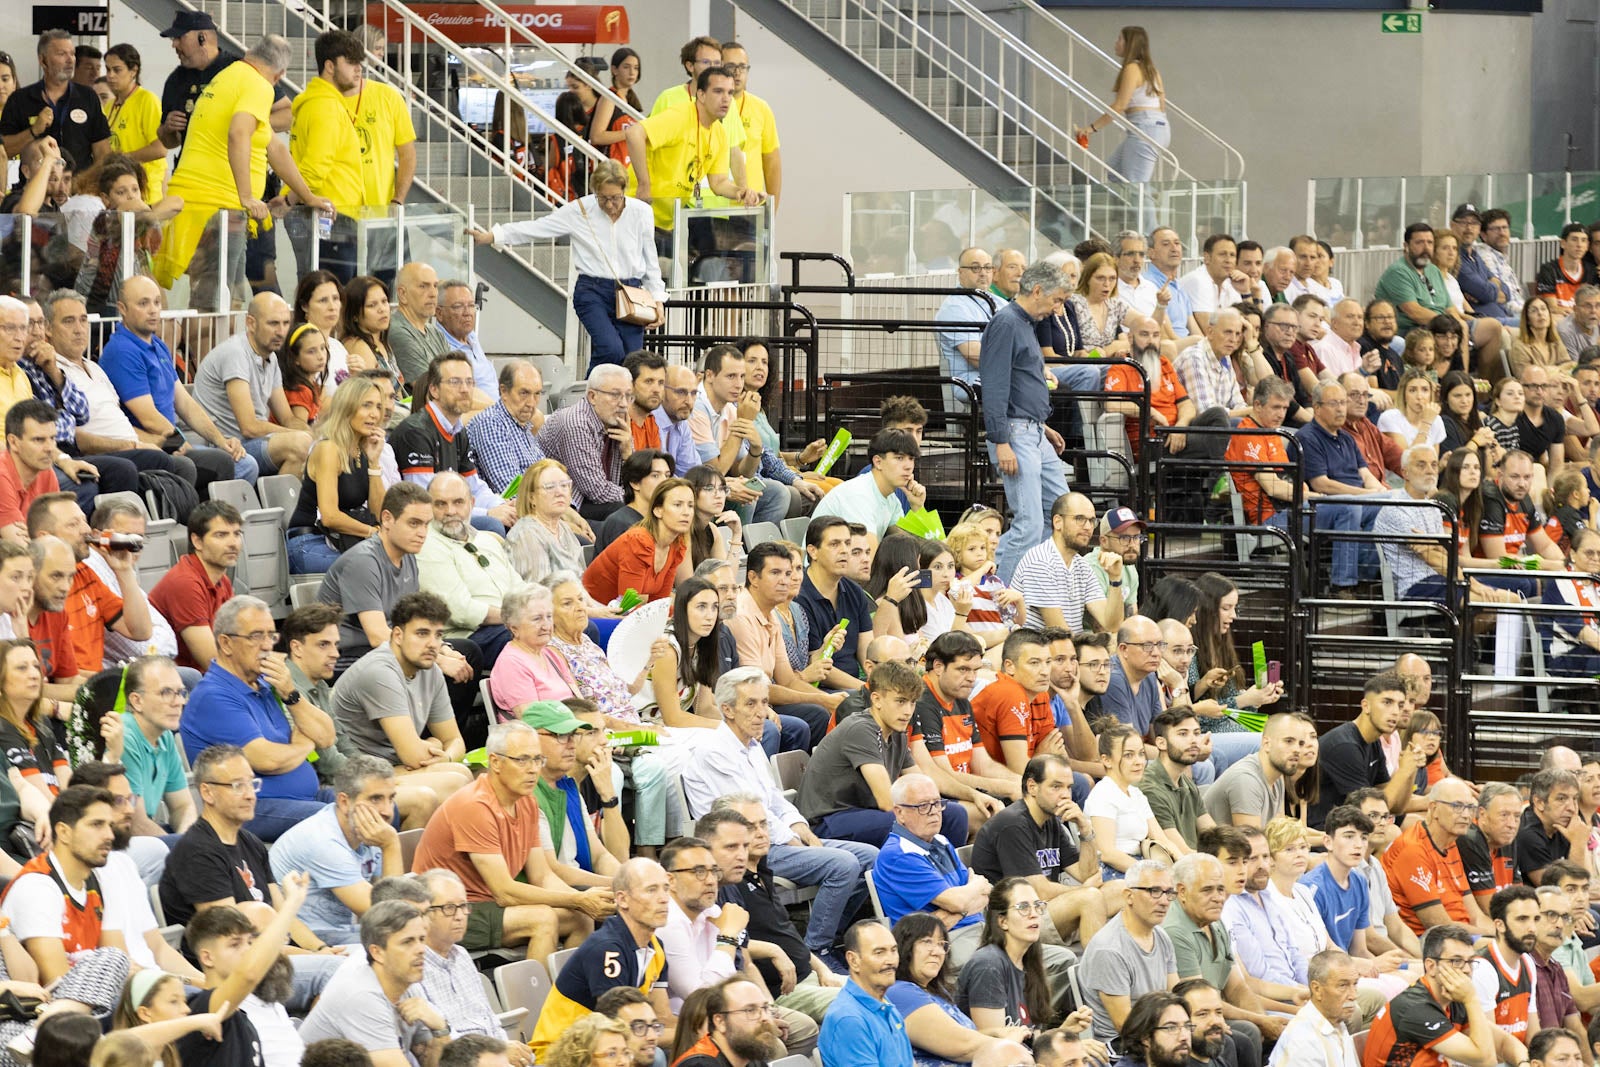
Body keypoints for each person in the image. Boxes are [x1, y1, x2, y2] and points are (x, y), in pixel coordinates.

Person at [681, 667, 875, 957]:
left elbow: (774, 798)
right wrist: (791, 839)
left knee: (872, 858)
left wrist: (800, 826)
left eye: (764, 702)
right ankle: (815, 950)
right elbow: (746, 815)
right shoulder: (714, 751)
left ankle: (830, 936)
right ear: (727, 710)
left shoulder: (752, 745)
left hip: (776, 839)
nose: (762, 712)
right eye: (751, 704)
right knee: (843, 864)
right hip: (748, 847)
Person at [410, 720, 605, 966]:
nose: (533, 769)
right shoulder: (475, 806)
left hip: (487, 904)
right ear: (496, 762)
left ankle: (566, 995)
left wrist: (587, 901)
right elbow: (504, 892)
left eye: (537, 760)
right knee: (542, 918)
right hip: (447, 910)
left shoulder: (527, 801)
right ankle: (539, 1003)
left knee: (581, 917)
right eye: (522, 760)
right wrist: (578, 899)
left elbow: (543, 875)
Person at [153, 35, 329, 304]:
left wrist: (309, 197)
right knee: (214, 304)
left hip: (214, 208)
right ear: (279, 74)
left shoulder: (231, 75)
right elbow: (238, 134)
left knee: (229, 300)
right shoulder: (258, 85)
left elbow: (275, 149)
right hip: (216, 209)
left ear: (249, 53)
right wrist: (247, 196)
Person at [474, 160, 664, 368]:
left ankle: (606, 396)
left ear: (625, 190)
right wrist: (494, 235)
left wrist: (657, 300)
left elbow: (650, 259)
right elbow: (538, 228)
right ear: (594, 192)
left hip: (631, 291)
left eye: (615, 198)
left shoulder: (641, 212)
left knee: (632, 361)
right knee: (610, 349)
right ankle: (588, 397)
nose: (609, 204)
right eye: (603, 198)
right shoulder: (580, 210)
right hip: (592, 290)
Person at [180, 595, 330, 841]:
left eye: (271, 635)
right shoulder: (213, 695)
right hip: (253, 808)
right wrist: (303, 744)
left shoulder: (266, 682)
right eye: (256, 636)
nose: (267, 645)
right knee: (341, 821)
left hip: (307, 799)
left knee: (379, 806)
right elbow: (267, 759)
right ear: (226, 644)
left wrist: (290, 693)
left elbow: (325, 737)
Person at [100, 277, 255, 485]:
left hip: (172, 441)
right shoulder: (122, 351)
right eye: (143, 303)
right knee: (232, 464)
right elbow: (148, 418)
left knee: (241, 461)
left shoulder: (158, 345)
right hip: (149, 447)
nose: (153, 310)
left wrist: (221, 440)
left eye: (157, 302)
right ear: (122, 309)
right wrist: (179, 441)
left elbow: (186, 405)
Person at [328, 591, 473, 799]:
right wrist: (435, 744)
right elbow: (413, 756)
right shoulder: (379, 671)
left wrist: (447, 756)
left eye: (438, 635)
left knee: (474, 775)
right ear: (397, 635)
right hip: (359, 777)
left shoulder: (430, 670)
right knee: (458, 780)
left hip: (394, 767)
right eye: (422, 633)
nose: (432, 643)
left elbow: (455, 740)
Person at [980, 262, 1073, 581]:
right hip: (1015, 433)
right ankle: (995, 594)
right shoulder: (1006, 323)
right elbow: (993, 384)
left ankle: (1022, 584)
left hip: (1032, 430)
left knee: (1062, 513)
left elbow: (1018, 382)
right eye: (1057, 300)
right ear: (1037, 291)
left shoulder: (1023, 323)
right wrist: (1001, 440)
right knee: (1030, 523)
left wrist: (1043, 428)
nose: (1058, 310)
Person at [528, 856, 673, 1058]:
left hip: (608, 1049)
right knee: (653, 1056)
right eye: (651, 890)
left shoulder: (656, 947)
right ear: (622, 899)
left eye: (666, 888)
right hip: (563, 1054)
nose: (664, 898)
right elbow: (620, 1031)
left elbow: (662, 1017)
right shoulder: (606, 949)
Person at [970, 752, 1110, 944]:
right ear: (1032, 787)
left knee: (1122, 890)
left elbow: (1087, 873)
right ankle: (1099, 972)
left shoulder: (1050, 820)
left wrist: (1085, 830)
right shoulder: (1012, 824)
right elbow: (1039, 892)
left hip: (1046, 909)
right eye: (1056, 786)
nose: (1066, 795)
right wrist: (1085, 890)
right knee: (1091, 897)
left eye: (1069, 787)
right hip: (1015, 920)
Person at [266, 755, 401, 947]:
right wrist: (391, 847)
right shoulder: (323, 840)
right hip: (304, 940)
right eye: (375, 799)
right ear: (344, 802)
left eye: (391, 798)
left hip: (341, 931)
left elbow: (388, 896)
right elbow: (388, 916)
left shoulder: (368, 831)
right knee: (399, 941)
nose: (387, 811)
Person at [624, 65, 764, 247]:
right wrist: (644, 184)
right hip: (634, 210)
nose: (726, 99)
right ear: (701, 95)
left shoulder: (719, 133)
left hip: (665, 220)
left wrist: (740, 191)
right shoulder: (681, 115)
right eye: (718, 91)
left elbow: (719, 182)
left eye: (730, 93)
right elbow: (634, 134)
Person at [294, 901, 448, 1064]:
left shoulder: (408, 987)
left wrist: (440, 1029)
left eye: (422, 939)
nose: (421, 949)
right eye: (407, 942)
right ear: (377, 952)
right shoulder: (361, 996)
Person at [391, 353, 516, 535]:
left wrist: (502, 506)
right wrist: (489, 513)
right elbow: (425, 502)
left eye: (469, 382)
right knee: (493, 525)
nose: (465, 389)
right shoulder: (416, 432)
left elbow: (474, 487)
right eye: (455, 382)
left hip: (449, 515)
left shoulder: (457, 430)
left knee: (517, 520)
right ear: (434, 390)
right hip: (420, 526)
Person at [191, 292, 312, 478]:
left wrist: (313, 434)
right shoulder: (236, 353)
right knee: (300, 445)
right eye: (273, 323)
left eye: (285, 323)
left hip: (251, 443)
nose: (281, 331)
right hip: (226, 446)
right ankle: (282, 504)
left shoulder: (270, 357)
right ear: (251, 323)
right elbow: (249, 427)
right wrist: (299, 436)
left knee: (318, 445)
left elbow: (287, 418)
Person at [315, 481, 429, 668]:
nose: (422, 533)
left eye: (426, 525)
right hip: (340, 655)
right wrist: (434, 658)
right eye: (414, 523)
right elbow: (377, 637)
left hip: (379, 650)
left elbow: (412, 622)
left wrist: (442, 649)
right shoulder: (363, 561)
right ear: (386, 519)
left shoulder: (408, 556)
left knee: (466, 651)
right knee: (425, 666)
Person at [288, 375, 386, 574]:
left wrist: (374, 463)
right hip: (309, 543)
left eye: (378, 407)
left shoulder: (361, 450)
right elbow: (330, 517)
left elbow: (378, 514)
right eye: (366, 405)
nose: (374, 414)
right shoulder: (329, 449)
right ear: (346, 408)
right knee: (374, 567)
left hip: (341, 540)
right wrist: (371, 533)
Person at [1077, 858, 1178, 1040]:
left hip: (1161, 1032)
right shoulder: (1109, 949)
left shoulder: (1161, 936)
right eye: (1154, 891)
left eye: (1169, 892)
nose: (1164, 901)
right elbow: (1125, 1025)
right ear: (1129, 896)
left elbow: (1176, 997)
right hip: (1123, 1047)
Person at [1382, 777, 1496, 937]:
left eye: (1470, 807)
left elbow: (1476, 915)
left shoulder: (1451, 842)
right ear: (1433, 808)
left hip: (1465, 934)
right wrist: (1492, 939)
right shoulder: (1413, 849)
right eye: (1457, 806)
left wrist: (1502, 936)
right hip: (1433, 940)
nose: (1466, 815)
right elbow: (1439, 925)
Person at [1312, 671, 1417, 829]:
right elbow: (1371, 812)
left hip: (1352, 825)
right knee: (1391, 831)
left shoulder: (1373, 742)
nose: (1396, 711)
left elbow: (1395, 807)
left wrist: (1411, 770)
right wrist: (1403, 771)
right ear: (1366, 706)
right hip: (1324, 829)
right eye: (1387, 702)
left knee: (1417, 823)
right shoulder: (1345, 746)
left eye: (1400, 705)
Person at [1010, 494, 1124, 635]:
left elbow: (1112, 626)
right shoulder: (1040, 561)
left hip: (1067, 649)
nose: (1088, 527)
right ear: (1058, 522)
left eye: (1092, 521)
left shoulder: (1082, 566)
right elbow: (1060, 632)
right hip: (1040, 650)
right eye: (1079, 519)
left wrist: (1115, 579)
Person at [0, 31, 110, 170]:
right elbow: (5, 151)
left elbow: (102, 152)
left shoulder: (88, 97)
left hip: (78, 186)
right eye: (61, 54)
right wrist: (33, 131)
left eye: (72, 53)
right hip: (35, 187)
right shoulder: (20, 99)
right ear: (43, 60)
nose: (70, 59)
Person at [539, 363, 635, 521]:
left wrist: (628, 453)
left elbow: (630, 482)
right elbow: (596, 491)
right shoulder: (576, 423)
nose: (624, 404)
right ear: (592, 396)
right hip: (567, 506)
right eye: (615, 395)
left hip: (594, 501)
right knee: (625, 513)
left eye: (628, 396)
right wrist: (640, 499)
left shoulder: (616, 421)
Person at [1072, 26, 1167, 184]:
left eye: (1120, 39)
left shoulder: (1132, 68)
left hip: (1146, 127)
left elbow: (1120, 105)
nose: (1116, 43)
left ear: (1130, 44)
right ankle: (1143, 200)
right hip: (1156, 126)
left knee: (1136, 186)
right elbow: (1161, 100)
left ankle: (1146, 203)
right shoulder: (1150, 69)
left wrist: (1090, 128)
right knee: (1114, 171)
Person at [817, 920, 916, 1067]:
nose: (891, 960)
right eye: (879, 952)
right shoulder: (849, 1019)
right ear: (853, 960)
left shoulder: (884, 1003)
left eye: (893, 950)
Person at [583, 478, 694, 606]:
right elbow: (628, 606)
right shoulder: (638, 542)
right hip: (595, 612)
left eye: (690, 505)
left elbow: (659, 603)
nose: (686, 512)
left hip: (624, 614)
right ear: (658, 510)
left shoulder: (677, 545)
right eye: (677, 505)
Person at [811, 431, 924, 541]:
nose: (908, 466)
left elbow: (907, 545)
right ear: (878, 462)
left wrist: (917, 507)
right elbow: (865, 556)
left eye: (911, 459)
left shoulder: (891, 498)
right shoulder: (859, 494)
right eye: (899, 458)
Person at [466, 360, 547, 498]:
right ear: (504, 391)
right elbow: (512, 491)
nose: (531, 403)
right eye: (524, 393)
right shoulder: (491, 423)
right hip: (511, 513)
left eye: (537, 394)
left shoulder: (522, 424)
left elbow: (544, 478)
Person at [1266, 949, 1360, 1067]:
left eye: (1355, 984)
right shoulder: (1303, 1041)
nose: (1353, 995)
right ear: (1317, 990)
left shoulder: (1336, 1022)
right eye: (1342, 985)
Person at [935, 250, 996, 402]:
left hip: (1001, 372)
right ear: (960, 272)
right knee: (1026, 387)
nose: (983, 273)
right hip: (970, 380)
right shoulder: (955, 307)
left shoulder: (999, 302)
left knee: (1060, 383)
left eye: (988, 267)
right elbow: (974, 356)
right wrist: (1020, 368)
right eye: (975, 268)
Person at [1516, 769, 1588, 887]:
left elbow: (1585, 884)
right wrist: (1578, 844)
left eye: (1574, 798)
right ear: (1539, 802)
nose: (1572, 808)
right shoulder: (1527, 835)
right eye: (1561, 799)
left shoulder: (1562, 824)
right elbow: (1559, 889)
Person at [1457, 781, 1521, 912]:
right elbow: (1490, 909)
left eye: (1517, 816)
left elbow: (1520, 898)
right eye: (1504, 815)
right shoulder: (1470, 839)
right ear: (1482, 814)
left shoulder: (1507, 839)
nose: (1512, 824)